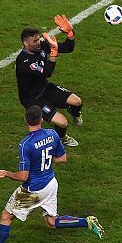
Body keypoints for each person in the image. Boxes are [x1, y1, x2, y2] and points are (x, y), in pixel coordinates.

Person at [0, 106, 104, 243]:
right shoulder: (52, 134)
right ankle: (87, 221)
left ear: (25, 120)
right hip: (50, 183)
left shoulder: (25, 145)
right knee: (51, 222)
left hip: (33, 190)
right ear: (42, 119)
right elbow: (62, 158)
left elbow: (23, 176)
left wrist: (6, 173)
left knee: (6, 216)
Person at [15, 15, 82, 147]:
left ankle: (75, 114)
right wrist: (53, 55)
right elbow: (47, 73)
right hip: (32, 98)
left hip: (45, 88)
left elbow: (68, 48)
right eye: (34, 41)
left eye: (38, 39)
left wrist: (70, 33)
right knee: (62, 123)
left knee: (77, 101)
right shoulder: (24, 61)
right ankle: (62, 138)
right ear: (26, 44)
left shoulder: (40, 46)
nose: (38, 42)